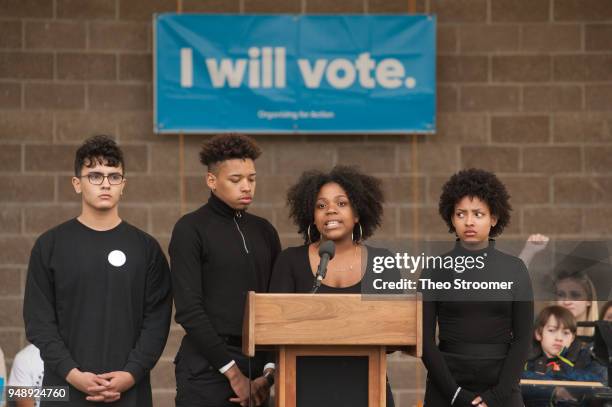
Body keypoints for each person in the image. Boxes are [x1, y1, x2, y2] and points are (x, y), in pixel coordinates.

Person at [23, 135, 172, 406]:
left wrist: (131, 373)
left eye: (114, 177)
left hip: (130, 392)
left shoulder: (146, 249)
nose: (105, 183)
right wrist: (73, 374)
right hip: (65, 391)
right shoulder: (50, 245)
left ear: (123, 185)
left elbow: (157, 322)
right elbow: (39, 322)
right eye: (95, 175)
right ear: (77, 184)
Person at [269, 165, 399, 407]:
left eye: (341, 203)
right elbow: (274, 330)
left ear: (357, 213)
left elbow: (396, 333)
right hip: (304, 390)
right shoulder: (290, 261)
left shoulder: (384, 261)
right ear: (312, 216)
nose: (330, 211)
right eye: (321, 206)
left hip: (368, 388)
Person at [170, 134, 281, 407]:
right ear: (211, 181)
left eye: (252, 179)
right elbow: (189, 310)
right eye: (235, 180)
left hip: (258, 369)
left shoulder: (264, 231)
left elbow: (277, 304)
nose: (246, 187)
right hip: (206, 370)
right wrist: (233, 373)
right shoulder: (190, 229)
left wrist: (268, 375)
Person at [420, 168, 534, 407]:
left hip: (501, 384)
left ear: (494, 218)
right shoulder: (434, 270)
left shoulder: (515, 269)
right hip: (447, 384)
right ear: (451, 218)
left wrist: (499, 394)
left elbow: (523, 338)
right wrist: (455, 394)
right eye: (461, 214)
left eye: (478, 214)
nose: (469, 221)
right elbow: (425, 341)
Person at [522, 306, 607, 407]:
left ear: (572, 338)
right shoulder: (525, 360)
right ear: (538, 334)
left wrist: (559, 374)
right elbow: (515, 379)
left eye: (566, 333)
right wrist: (553, 390)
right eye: (552, 330)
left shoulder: (584, 357)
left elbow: (601, 380)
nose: (559, 338)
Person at [554, 271, 598, 338]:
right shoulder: (544, 337)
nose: (566, 302)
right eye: (561, 295)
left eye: (575, 295)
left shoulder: (604, 338)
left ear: (589, 300)